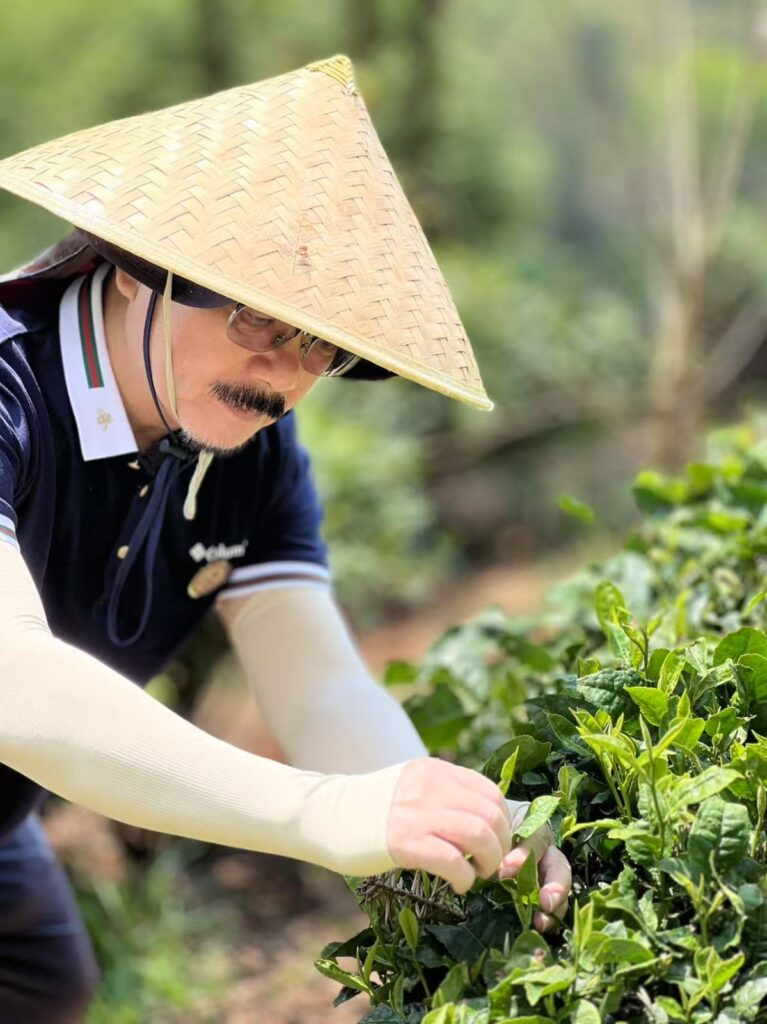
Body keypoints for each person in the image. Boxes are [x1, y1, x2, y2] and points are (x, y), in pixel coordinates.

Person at [0, 55, 572, 1022]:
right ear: (140, 268)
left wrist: (435, 818)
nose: (289, 374)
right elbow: (13, 683)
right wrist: (324, 815)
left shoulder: (247, 448)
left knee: (48, 979)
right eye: (260, 316)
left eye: (327, 344)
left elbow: (316, 678)